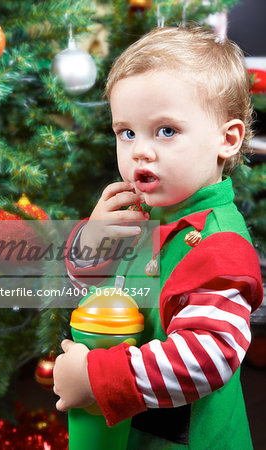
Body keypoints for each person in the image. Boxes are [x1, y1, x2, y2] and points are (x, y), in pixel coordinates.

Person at [53, 26, 263, 449]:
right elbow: (86, 289)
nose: (139, 152)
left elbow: (207, 360)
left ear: (227, 139)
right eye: (126, 132)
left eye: (166, 131)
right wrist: (92, 241)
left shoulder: (218, 245)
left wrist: (97, 378)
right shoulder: (143, 213)